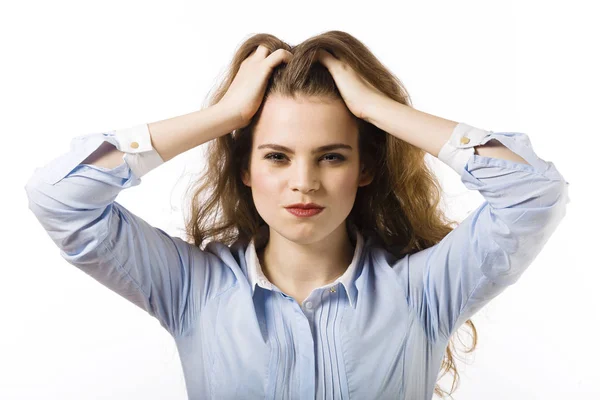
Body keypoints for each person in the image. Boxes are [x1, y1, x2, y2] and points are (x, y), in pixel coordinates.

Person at [24, 31, 570, 399]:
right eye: (277, 156)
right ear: (245, 168)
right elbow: (59, 196)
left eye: (331, 155)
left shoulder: (424, 291)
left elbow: (534, 190)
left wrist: (379, 110)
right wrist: (223, 115)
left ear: (365, 167)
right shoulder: (191, 289)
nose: (303, 182)